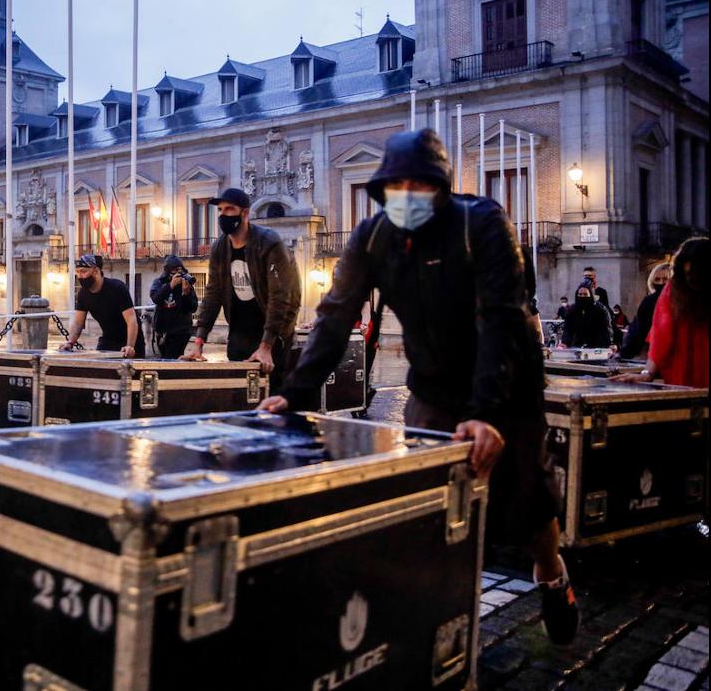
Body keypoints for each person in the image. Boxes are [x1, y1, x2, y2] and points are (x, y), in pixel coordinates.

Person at [256, 129, 578, 645]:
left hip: (507, 382)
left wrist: (485, 412)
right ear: (383, 190)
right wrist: (294, 394)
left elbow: (501, 319)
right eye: (396, 185)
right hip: (431, 385)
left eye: (419, 184)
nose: (407, 194)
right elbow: (335, 316)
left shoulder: (482, 223)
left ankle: (551, 573)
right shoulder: (373, 237)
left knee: (529, 502)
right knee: (429, 494)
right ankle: (436, 613)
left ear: (441, 186)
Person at [181, 187, 301, 378]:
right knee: (240, 391)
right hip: (238, 335)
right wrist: (199, 342)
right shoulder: (220, 247)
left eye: (229, 209)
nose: (223, 215)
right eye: (220, 210)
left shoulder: (269, 243)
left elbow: (280, 296)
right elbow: (213, 294)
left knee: (272, 391)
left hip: (273, 337)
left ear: (245, 213)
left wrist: (266, 345)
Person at [614, 237, 709, 388]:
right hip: (683, 373)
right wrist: (647, 373)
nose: (689, 279)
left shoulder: (673, 291)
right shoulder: (672, 291)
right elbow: (661, 335)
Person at [59, 254, 144, 357]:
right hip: (108, 339)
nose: (80, 276)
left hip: (132, 340)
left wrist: (130, 346)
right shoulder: (83, 294)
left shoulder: (117, 288)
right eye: (78, 272)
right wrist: (70, 343)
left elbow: (131, 321)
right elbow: (78, 323)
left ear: (96, 271)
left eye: (83, 271)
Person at [618, 261, 671, 360]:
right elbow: (638, 329)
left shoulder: (683, 302)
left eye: (665, 279)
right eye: (657, 279)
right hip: (653, 352)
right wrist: (625, 354)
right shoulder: (649, 301)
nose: (661, 283)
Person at [150, 255, 198, 359]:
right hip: (163, 331)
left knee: (172, 358)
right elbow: (156, 298)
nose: (179, 273)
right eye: (175, 270)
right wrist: (170, 286)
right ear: (168, 271)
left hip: (181, 332)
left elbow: (193, 308)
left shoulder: (186, 285)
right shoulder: (159, 282)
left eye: (181, 270)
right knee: (164, 358)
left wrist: (186, 294)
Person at [560, 283, 613, 349]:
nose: (582, 296)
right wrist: (565, 342)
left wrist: (609, 343)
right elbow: (567, 328)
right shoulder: (572, 310)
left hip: (597, 345)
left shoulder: (600, 309)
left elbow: (607, 329)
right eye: (580, 294)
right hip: (577, 345)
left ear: (590, 295)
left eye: (585, 294)